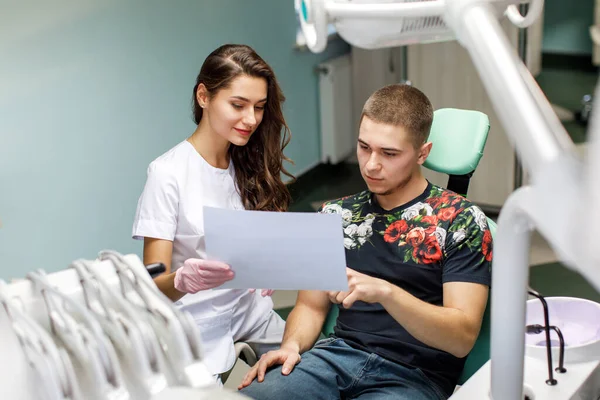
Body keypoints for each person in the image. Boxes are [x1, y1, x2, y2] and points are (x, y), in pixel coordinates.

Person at [238, 84, 492, 399]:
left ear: (422, 153)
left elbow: (462, 337)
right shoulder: (335, 214)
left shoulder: (461, 220)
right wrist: (291, 345)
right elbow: (310, 306)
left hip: (414, 377)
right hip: (334, 359)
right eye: (364, 147)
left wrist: (387, 294)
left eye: (389, 153)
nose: (371, 164)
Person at [132, 44, 294, 380]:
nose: (250, 119)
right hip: (195, 323)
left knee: (309, 364)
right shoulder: (167, 174)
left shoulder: (248, 162)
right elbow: (152, 286)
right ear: (204, 96)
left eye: (259, 107)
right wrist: (181, 279)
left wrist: (268, 265)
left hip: (249, 311)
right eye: (238, 105)